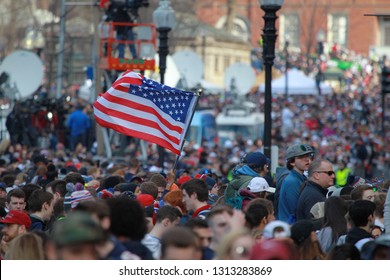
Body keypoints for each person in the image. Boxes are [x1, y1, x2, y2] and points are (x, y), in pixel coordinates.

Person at [278, 143, 314, 224]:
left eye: (308, 156)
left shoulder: (300, 177)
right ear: (292, 162)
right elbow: (296, 210)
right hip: (291, 227)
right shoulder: (292, 181)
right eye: (301, 157)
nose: (307, 159)